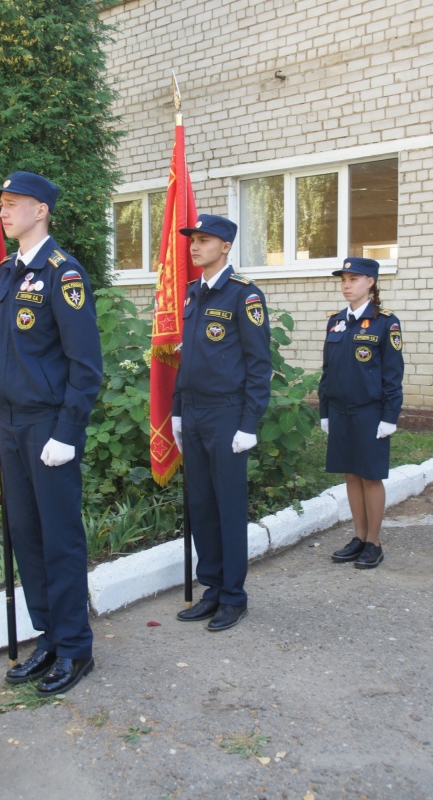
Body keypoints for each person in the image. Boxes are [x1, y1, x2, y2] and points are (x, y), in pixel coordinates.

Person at [0, 171, 103, 695]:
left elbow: (86, 365)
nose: (4, 212)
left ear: (42, 210)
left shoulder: (63, 273)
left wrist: (67, 430)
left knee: (59, 540)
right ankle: (49, 637)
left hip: (48, 428)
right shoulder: (9, 271)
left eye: (13, 203)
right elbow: (1, 350)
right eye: (1, 204)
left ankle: (76, 648)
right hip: (10, 425)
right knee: (27, 539)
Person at [172, 214, 272, 630]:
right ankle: (211, 587)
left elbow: (258, 365)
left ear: (226, 246)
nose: (195, 246)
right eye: (193, 240)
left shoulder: (243, 296)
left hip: (227, 414)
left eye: (205, 240)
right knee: (201, 505)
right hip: (194, 412)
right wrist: (178, 409)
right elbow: (188, 359)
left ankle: (234, 595)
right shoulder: (194, 293)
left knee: (228, 506)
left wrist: (249, 423)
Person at [318, 257, 404, 569]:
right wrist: (325, 410)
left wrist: (389, 417)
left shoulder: (386, 322)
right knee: (351, 474)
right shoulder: (336, 321)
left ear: (370, 282)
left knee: (370, 476)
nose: (346, 284)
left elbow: (393, 375)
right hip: (340, 411)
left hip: (370, 413)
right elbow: (328, 371)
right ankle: (358, 537)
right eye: (343, 279)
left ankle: (374, 542)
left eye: (354, 279)